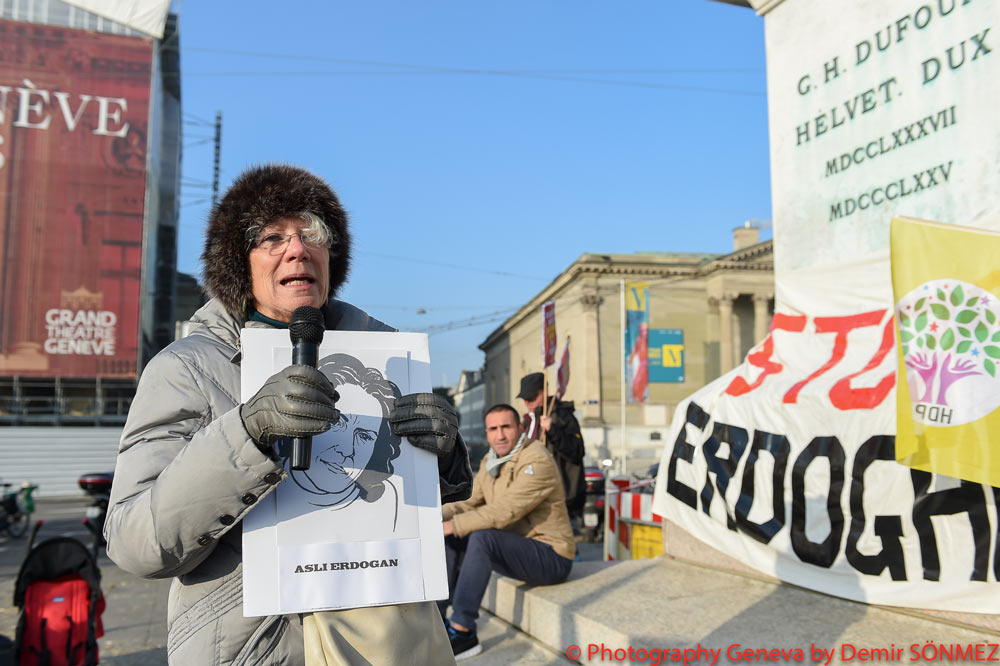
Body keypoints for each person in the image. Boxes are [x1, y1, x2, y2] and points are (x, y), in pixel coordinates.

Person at [104, 164, 472, 666]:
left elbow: (407, 503)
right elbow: (135, 543)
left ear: (330, 253)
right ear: (241, 263)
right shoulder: (186, 368)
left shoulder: (386, 354)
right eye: (272, 238)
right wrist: (247, 434)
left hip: (386, 646)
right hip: (258, 651)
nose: (297, 249)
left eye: (312, 233)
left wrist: (445, 456)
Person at [440, 404, 575, 660]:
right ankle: (436, 620)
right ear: (487, 433)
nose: (499, 435)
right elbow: (470, 501)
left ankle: (463, 631)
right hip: (518, 548)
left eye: (506, 427)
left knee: (480, 537)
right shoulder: (492, 461)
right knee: (451, 538)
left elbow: (504, 512)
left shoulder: (536, 460)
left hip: (551, 555)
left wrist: (453, 525)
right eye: (493, 428)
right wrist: (435, 516)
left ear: (520, 429)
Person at [517, 371, 586, 526]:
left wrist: (553, 430)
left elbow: (577, 452)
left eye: (532, 397)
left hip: (560, 499)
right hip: (533, 498)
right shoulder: (527, 421)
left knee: (564, 547)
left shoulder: (562, 416)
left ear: (545, 392)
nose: (528, 402)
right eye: (525, 398)